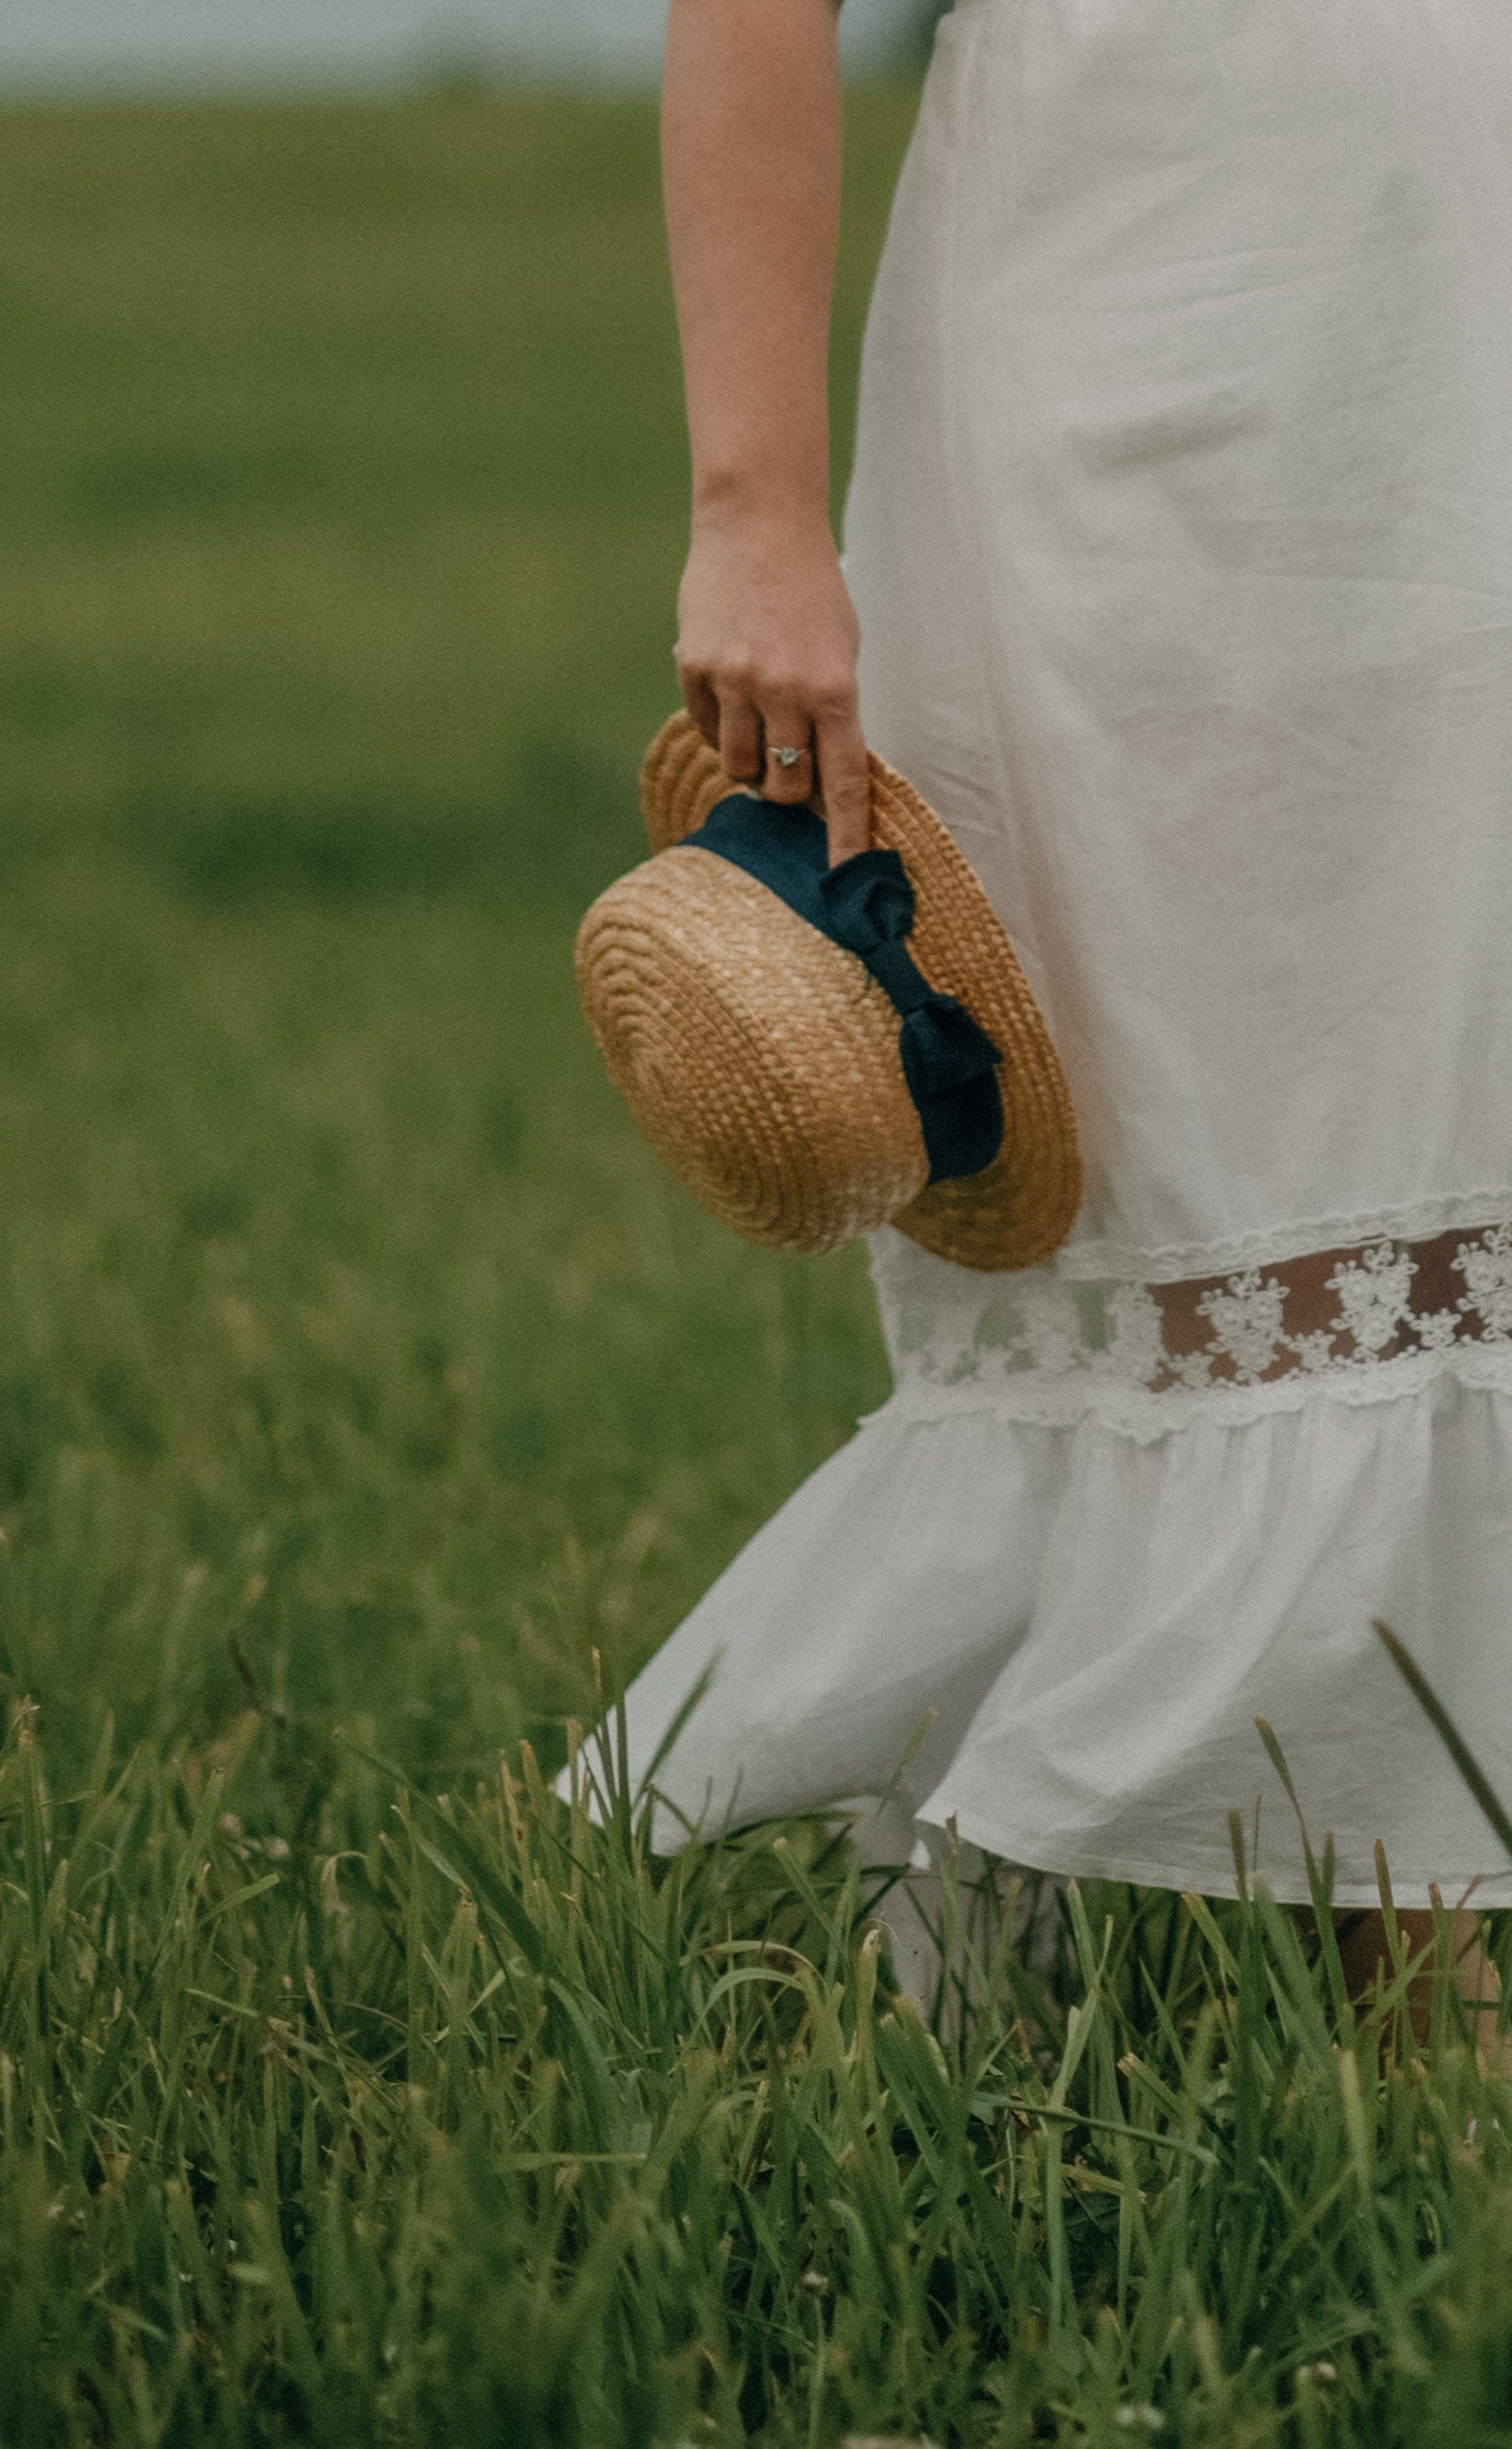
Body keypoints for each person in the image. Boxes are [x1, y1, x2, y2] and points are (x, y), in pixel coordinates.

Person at [612, 0, 1512, 2002]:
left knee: (1446, 1120)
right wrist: (753, 512)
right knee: (1210, 1142)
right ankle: (1303, 2003)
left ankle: (1380, 1946)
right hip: (1139, 348)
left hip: (1462, 334)